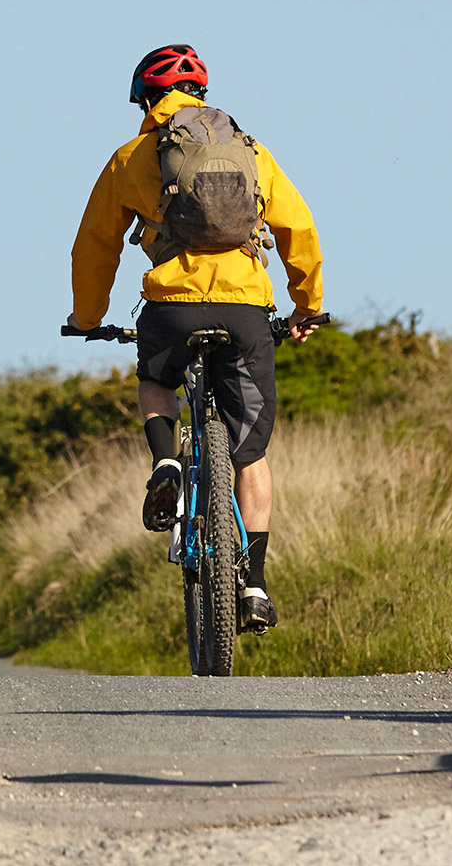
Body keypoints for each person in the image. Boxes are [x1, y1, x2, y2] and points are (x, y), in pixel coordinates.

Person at [68, 44, 323, 632]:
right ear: (200, 96)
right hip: (246, 312)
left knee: (156, 379)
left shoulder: (131, 157)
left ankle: (167, 462)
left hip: (171, 310)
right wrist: (308, 306)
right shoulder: (251, 152)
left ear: (146, 99)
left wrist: (88, 318)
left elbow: (95, 246)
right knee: (250, 452)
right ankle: (254, 583)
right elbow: (298, 229)